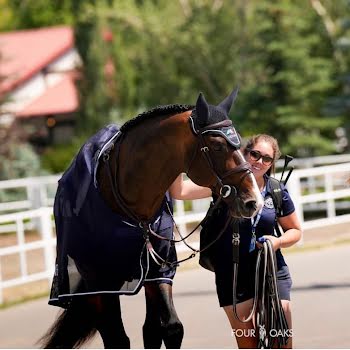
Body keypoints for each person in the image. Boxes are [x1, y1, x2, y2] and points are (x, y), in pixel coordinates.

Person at [207, 134, 302, 349]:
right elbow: (181, 192)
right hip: (233, 275)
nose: (259, 161)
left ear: (271, 164)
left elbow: (295, 231)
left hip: (271, 269)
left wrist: (277, 242)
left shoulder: (277, 190)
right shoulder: (223, 185)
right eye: (255, 154)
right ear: (245, 153)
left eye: (267, 159)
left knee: (281, 340)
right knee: (247, 342)